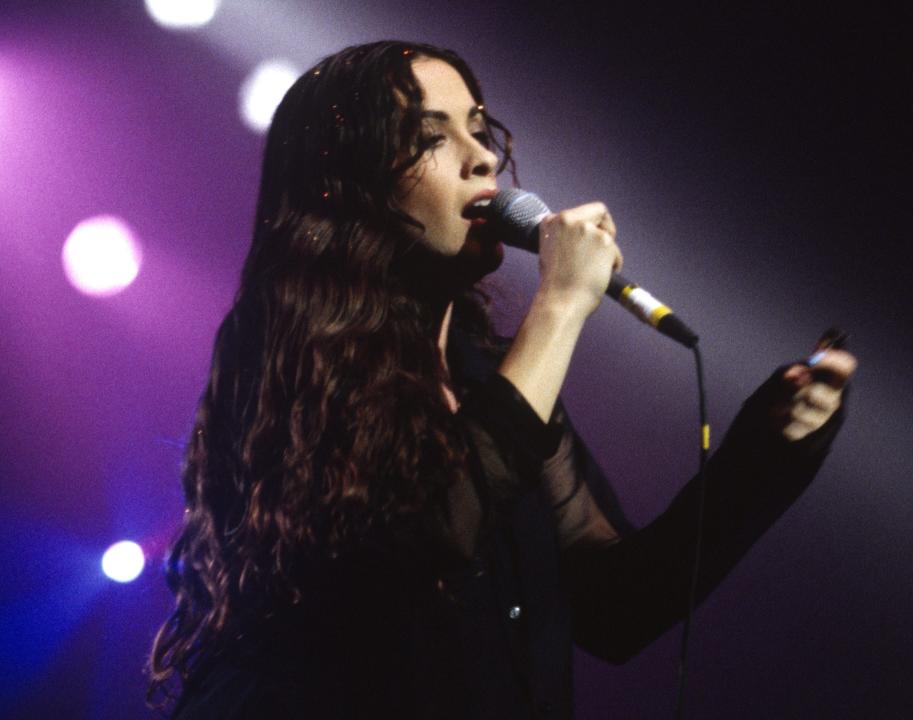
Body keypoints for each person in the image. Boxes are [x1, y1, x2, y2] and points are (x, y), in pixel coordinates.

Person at [148, 41, 856, 719]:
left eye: (480, 128)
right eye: (431, 137)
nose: (482, 157)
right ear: (350, 183)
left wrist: (766, 450)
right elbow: (427, 537)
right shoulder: (279, 348)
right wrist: (561, 305)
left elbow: (617, 608)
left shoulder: (490, 372)